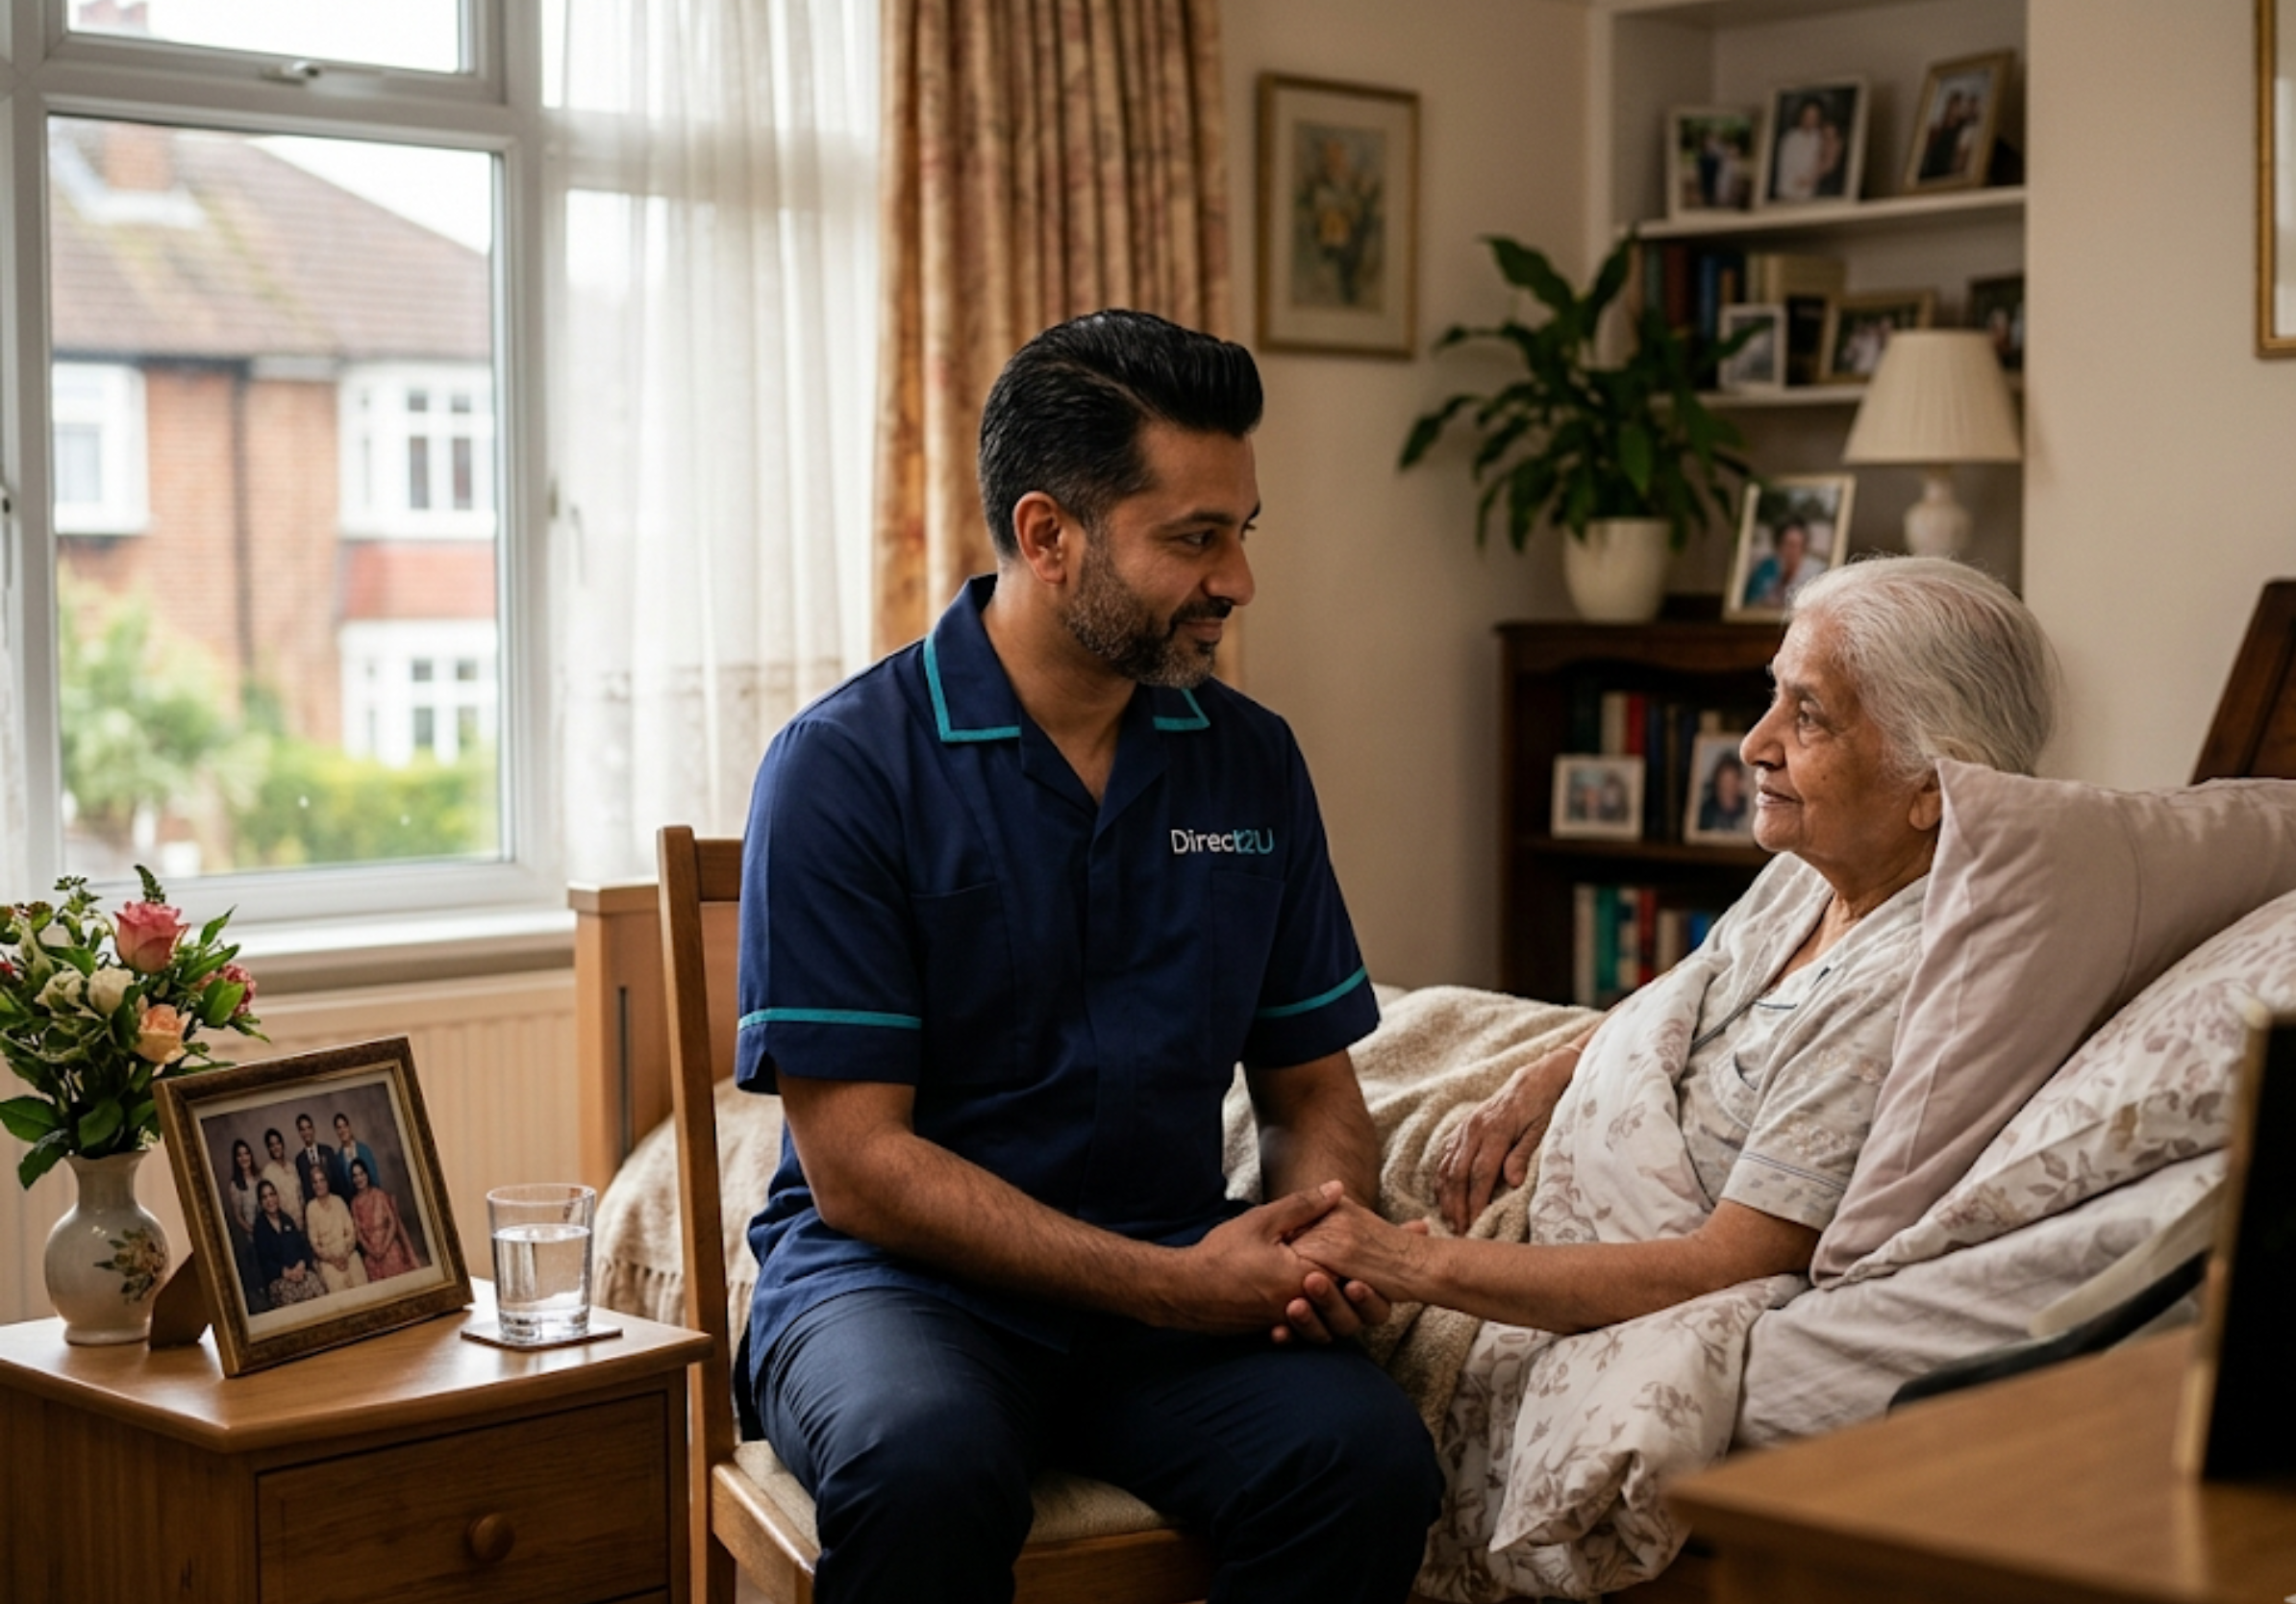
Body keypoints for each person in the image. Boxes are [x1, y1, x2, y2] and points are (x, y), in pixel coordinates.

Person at [734, 309, 1442, 1604]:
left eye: (1242, 531)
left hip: (1164, 1281)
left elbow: (1310, 1090)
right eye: (1194, 537)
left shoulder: (1250, 759)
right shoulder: (842, 768)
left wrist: (1327, 1232)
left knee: (1365, 1456)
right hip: (899, 1291)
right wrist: (1181, 1287)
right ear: (1049, 535)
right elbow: (860, 1173)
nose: (1237, 579)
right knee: (927, 1465)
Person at [1288, 557, 2058, 1333]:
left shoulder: (1898, 990)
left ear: (1934, 785)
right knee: (1357, 1060)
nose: (1755, 744)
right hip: (1555, 1079)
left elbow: (1723, 1265)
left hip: (1568, 1214)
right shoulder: (1814, 873)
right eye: (1774, 697)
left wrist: (1405, 1262)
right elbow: (1676, 1003)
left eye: (1810, 716)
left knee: (1302, 1139)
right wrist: (1547, 1076)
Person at [251, 1179, 328, 1310]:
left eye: (272, 1194)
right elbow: (264, 1262)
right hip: (280, 1279)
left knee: (317, 1287)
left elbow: (302, 1246)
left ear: (277, 1196)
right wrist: (286, 1273)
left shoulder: (287, 1219)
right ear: (261, 1202)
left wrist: (302, 1264)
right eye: (265, 1197)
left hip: (299, 1271)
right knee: (292, 1300)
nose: (270, 1200)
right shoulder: (260, 1227)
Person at [348, 1158, 421, 1281]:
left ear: (366, 1175)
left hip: (388, 1245)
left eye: (361, 1174)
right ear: (353, 1179)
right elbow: (358, 1233)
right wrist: (372, 1252)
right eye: (355, 1176)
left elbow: (393, 1222)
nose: (359, 1179)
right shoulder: (354, 1203)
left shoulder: (379, 1194)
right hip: (371, 1253)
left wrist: (384, 1248)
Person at [303, 1161, 368, 1295]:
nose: (319, 1185)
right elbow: (314, 1243)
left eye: (322, 1180)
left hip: (347, 1253)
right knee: (337, 1288)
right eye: (315, 1182)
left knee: (361, 1286)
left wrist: (346, 1253)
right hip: (328, 1260)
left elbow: (351, 1231)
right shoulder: (311, 1208)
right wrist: (333, 1260)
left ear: (327, 1181)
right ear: (312, 1185)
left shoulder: (338, 1201)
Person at [222, 1138, 269, 1312]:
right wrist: (254, 1232)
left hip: (268, 1227)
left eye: (246, 1153)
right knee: (259, 1269)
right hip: (252, 1234)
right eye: (239, 1155)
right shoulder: (235, 1185)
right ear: (236, 1159)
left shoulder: (260, 1176)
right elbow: (238, 1216)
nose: (244, 1158)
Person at [1745, 518, 1828, 610]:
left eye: (1797, 545)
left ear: (1804, 547)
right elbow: (1751, 603)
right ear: (1778, 546)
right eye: (1787, 544)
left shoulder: (1816, 574)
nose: (1792, 551)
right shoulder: (1766, 569)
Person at [291, 1112, 348, 1207]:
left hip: (334, 1204)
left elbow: (338, 1181)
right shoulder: (299, 1160)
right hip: (316, 1209)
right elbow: (305, 1190)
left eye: (309, 1128)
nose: (306, 1132)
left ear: (313, 1129)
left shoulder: (328, 1151)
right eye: (303, 1129)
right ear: (300, 1133)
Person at [258, 1126, 302, 1231]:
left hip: (301, 1222)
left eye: (278, 1143)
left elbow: (300, 1195)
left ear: (282, 1144)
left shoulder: (292, 1167)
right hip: (284, 1226)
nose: (276, 1147)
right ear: (269, 1149)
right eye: (272, 1145)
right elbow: (269, 1203)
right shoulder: (267, 1172)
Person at [1697, 751, 1750, 834]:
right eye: (1725, 781)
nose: (1728, 788)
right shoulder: (1706, 812)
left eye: (1732, 781)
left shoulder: (1748, 809)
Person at [332, 1112, 381, 1199]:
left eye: (344, 1126)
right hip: (353, 1204)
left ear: (349, 1127)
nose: (343, 1130)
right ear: (336, 1131)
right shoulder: (338, 1159)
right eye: (339, 1128)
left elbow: (374, 1178)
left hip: (372, 1199)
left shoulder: (364, 1150)